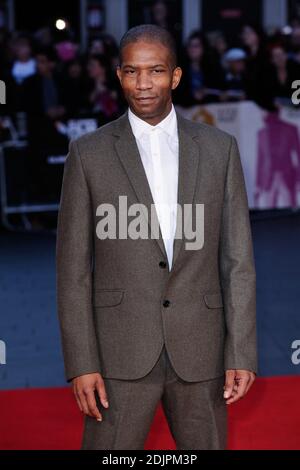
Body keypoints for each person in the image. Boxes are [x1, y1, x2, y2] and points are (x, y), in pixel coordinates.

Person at [56, 24, 257, 450]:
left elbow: (237, 259)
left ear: (176, 76)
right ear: (119, 75)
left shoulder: (219, 148)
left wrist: (240, 351)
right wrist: (81, 362)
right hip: (117, 352)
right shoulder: (88, 153)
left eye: (156, 71)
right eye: (131, 72)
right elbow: (72, 270)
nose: (143, 84)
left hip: (201, 349)